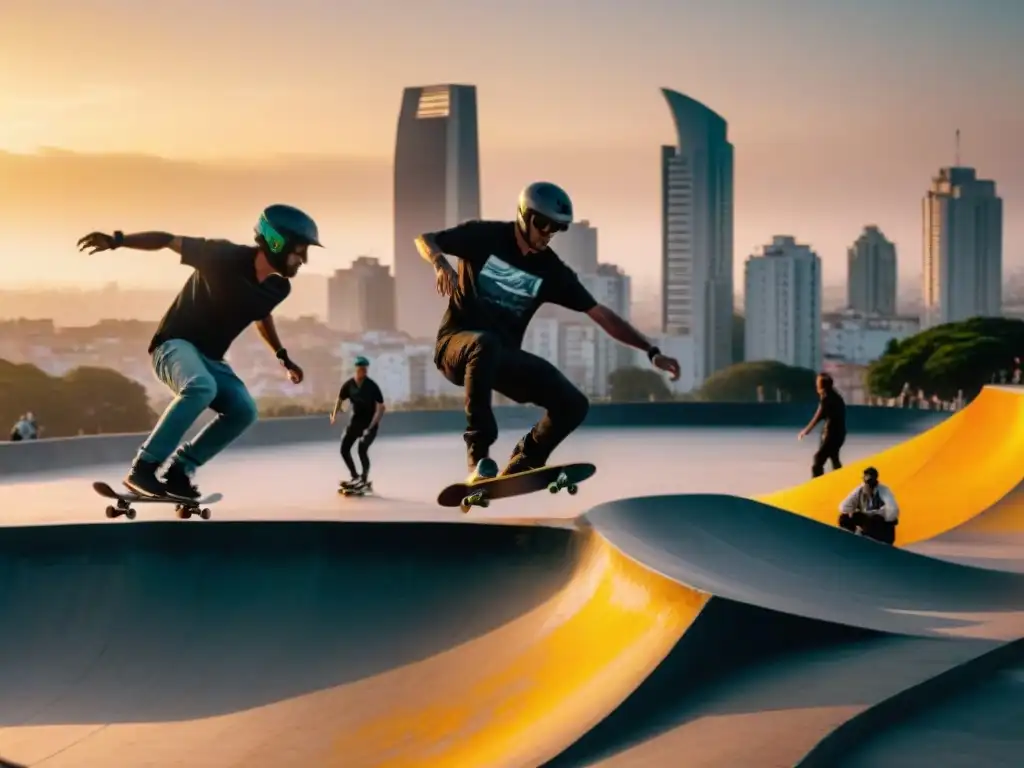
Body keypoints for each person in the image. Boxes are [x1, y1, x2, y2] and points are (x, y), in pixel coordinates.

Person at [414, 181, 681, 484]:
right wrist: (440, 263)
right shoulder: (484, 236)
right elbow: (426, 239)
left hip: (501, 357)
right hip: (455, 346)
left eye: (555, 228)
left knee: (573, 404)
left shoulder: (551, 271)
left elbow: (602, 315)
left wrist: (652, 351)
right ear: (524, 216)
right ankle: (478, 458)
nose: (546, 234)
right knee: (484, 343)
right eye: (541, 224)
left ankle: (525, 462)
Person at [76, 204, 321, 500]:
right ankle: (143, 468)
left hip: (211, 358)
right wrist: (117, 240)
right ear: (276, 243)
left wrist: (282, 355)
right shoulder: (222, 256)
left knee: (244, 411)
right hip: (173, 346)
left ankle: (180, 470)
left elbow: (261, 315)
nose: (303, 260)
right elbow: (168, 240)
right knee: (201, 387)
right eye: (299, 251)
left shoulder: (278, 289)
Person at [330, 355, 385, 491]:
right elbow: (340, 399)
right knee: (344, 449)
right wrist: (334, 414)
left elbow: (381, 407)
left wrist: (371, 426)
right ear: (356, 369)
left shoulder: (372, 386)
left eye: (365, 369)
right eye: (361, 369)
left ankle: (364, 479)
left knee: (362, 449)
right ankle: (355, 477)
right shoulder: (349, 385)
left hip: (370, 424)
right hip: (355, 423)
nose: (363, 371)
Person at [798, 372, 847, 477]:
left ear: (821, 385)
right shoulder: (837, 396)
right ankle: (841, 480)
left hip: (831, 434)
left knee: (818, 459)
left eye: (817, 383)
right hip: (840, 434)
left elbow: (818, 416)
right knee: (834, 458)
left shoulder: (826, 398)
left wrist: (806, 431)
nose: (816, 386)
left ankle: (817, 485)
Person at [838, 466, 899, 545]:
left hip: (883, 529)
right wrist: (854, 512)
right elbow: (843, 506)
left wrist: (868, 514)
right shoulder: (859, 490)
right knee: (844, 518)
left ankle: (877, 543)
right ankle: (854, 540)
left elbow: (892, 511)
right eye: (866, 478)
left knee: (876, 518)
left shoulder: (883, 490)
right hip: (867, 523)